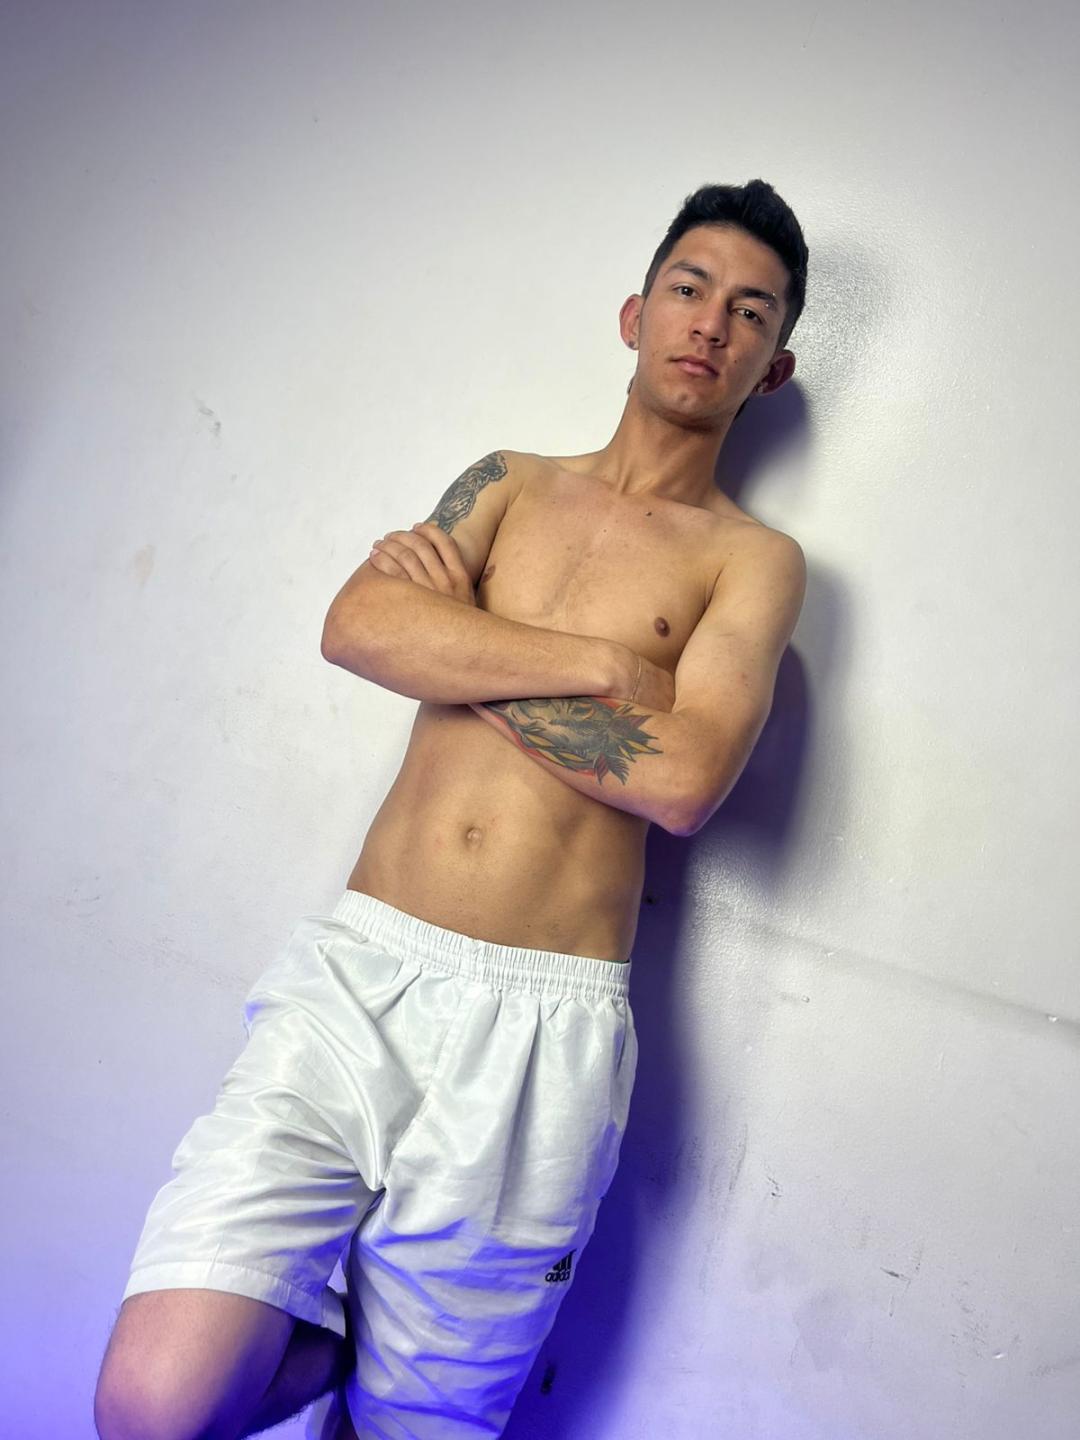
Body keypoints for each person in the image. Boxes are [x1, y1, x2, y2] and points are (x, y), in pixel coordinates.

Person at [94, 179, 810, 1440]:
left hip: (539, 1035)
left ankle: (376, 1370)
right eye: (690, 289)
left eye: (751, 312)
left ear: (775, 366)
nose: (712, 322)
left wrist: (459, 640)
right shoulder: (509, 481)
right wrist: (600, 666)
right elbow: (359, 625)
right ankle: (341, 1343)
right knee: (153, 1404)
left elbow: (685, 779)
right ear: (635, 313)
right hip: (358, 980)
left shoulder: (751, 562)